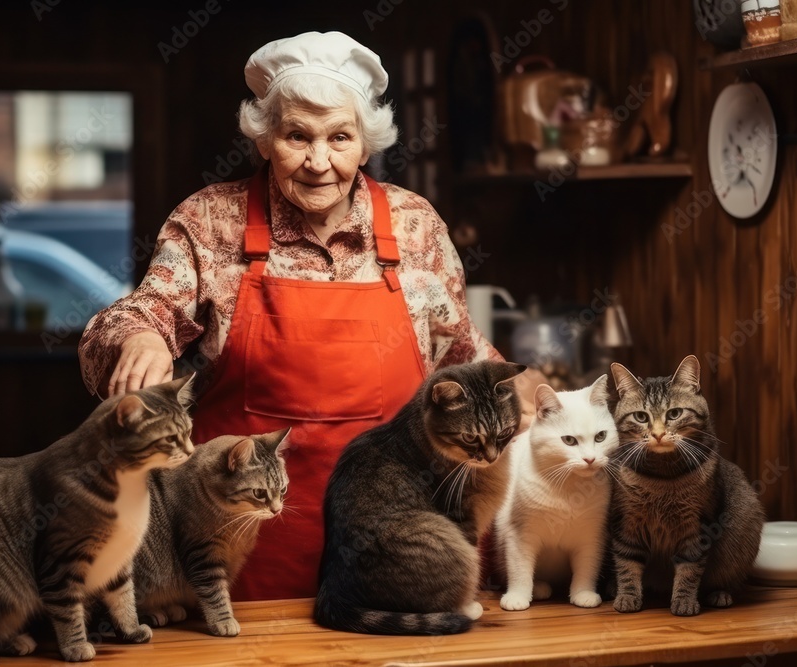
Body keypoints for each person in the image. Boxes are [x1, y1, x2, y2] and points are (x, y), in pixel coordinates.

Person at [78, 30, 540, 601]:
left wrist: (525, 393)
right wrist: (140, 337)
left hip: (396, 538)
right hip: (236, 542)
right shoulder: (209, 220)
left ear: (366, 143)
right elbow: (138, 314)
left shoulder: (417, 226)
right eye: (297, 135)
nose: (319, 161)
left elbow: (463, 357)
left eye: (340, 137)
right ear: (266, 139)